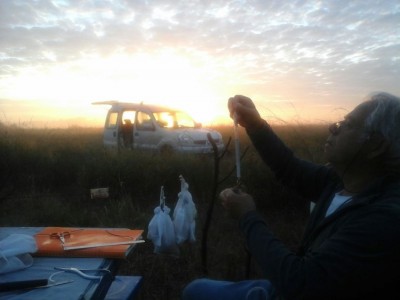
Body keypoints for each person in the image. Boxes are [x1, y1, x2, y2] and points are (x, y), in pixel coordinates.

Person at [182, 92, 400, 300]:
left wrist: (248, 217)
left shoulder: (382, 219)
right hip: (295, 287)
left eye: (347, 125)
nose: (333, 128)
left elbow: (301, 284)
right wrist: (256, 125)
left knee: (197, 292)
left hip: (297, 289)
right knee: (195, 289)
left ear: (376, 146)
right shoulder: (340, 181)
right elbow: (290, 168)